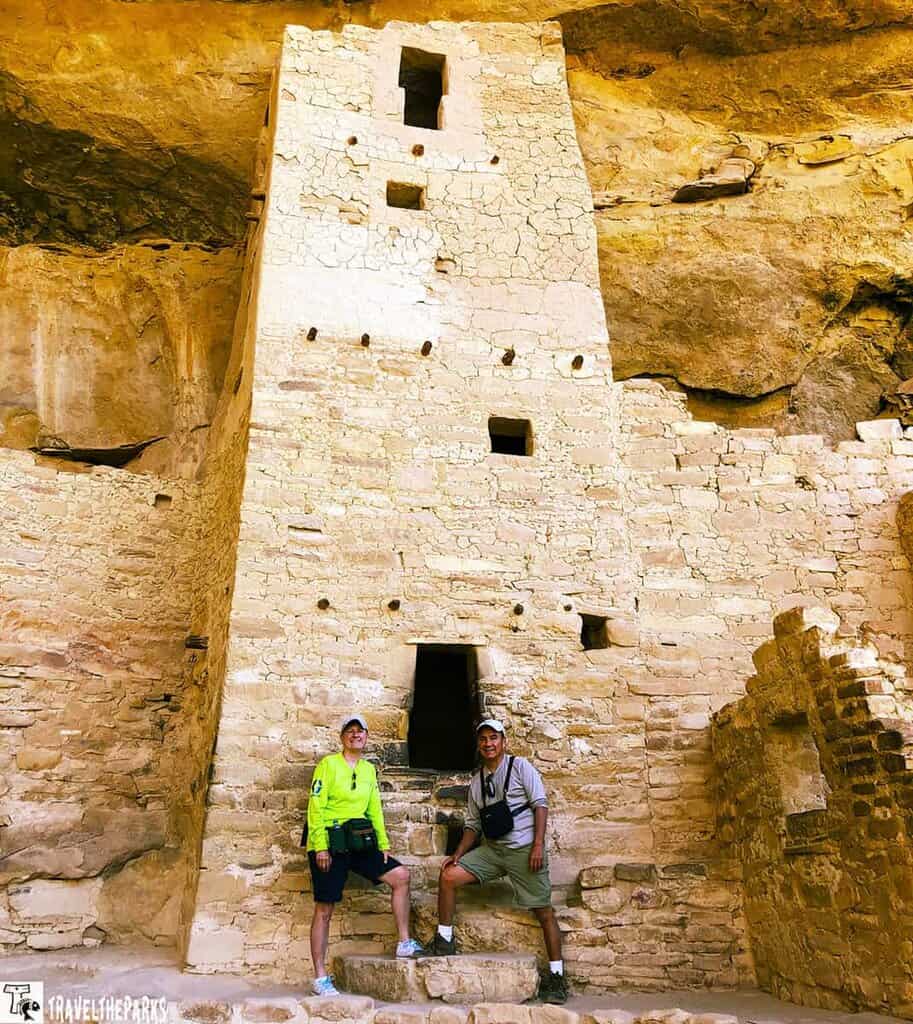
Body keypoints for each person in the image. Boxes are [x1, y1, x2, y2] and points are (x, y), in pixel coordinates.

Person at [427, 719, 568, 1004]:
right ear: (478, 745)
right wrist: (458, 854)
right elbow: (472, 824)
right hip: (492, 851)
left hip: (524, 848)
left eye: (493, 738)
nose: (488, 744)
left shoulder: (520, 767)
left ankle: (556, 977)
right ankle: (444, 940)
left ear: (503, 741)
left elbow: (540, 804)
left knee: (543, 911)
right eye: (483, 739)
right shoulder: (477, 780)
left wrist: (538, 844)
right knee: (449, 876)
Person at [306, 714, 425, 995]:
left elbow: (374, 809)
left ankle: (404, 942)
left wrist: (382, 844)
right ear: (342, 737)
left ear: (366, 737)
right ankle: (320, 977)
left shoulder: (369, 770)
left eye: (360, 731)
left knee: (400, 876)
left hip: (359, 841)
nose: (356, 735)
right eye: (350, 731)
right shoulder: (328, 765)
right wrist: (320, 845)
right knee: (325, 908)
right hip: (331, 842)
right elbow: (316, 806)